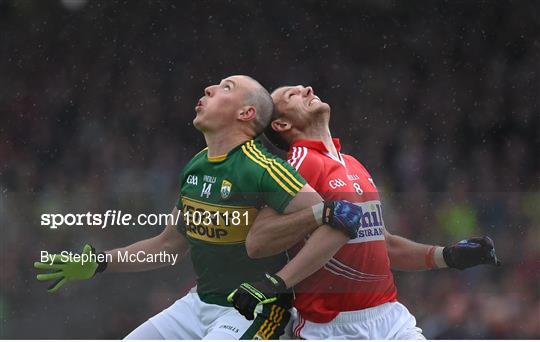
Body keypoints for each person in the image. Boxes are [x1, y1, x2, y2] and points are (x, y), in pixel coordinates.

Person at [33, 76, 366, 339]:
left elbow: (337, 219)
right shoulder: (197, 166)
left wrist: (277, 284)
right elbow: (167, 246)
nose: (208, 88)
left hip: (256, 311)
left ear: (246, 113)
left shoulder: (263, 168)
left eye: (225, 88)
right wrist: (100, 262)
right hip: (199, 304)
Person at [229, 84, 501, 339]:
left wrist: (448, 256)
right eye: (293, 95)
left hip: (390, 317)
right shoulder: (298, 165)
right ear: (282, 124)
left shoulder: (353, 164)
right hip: (330, 329)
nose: (307, 89)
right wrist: (278, 279)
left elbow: (384, 244)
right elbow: (257, 240)